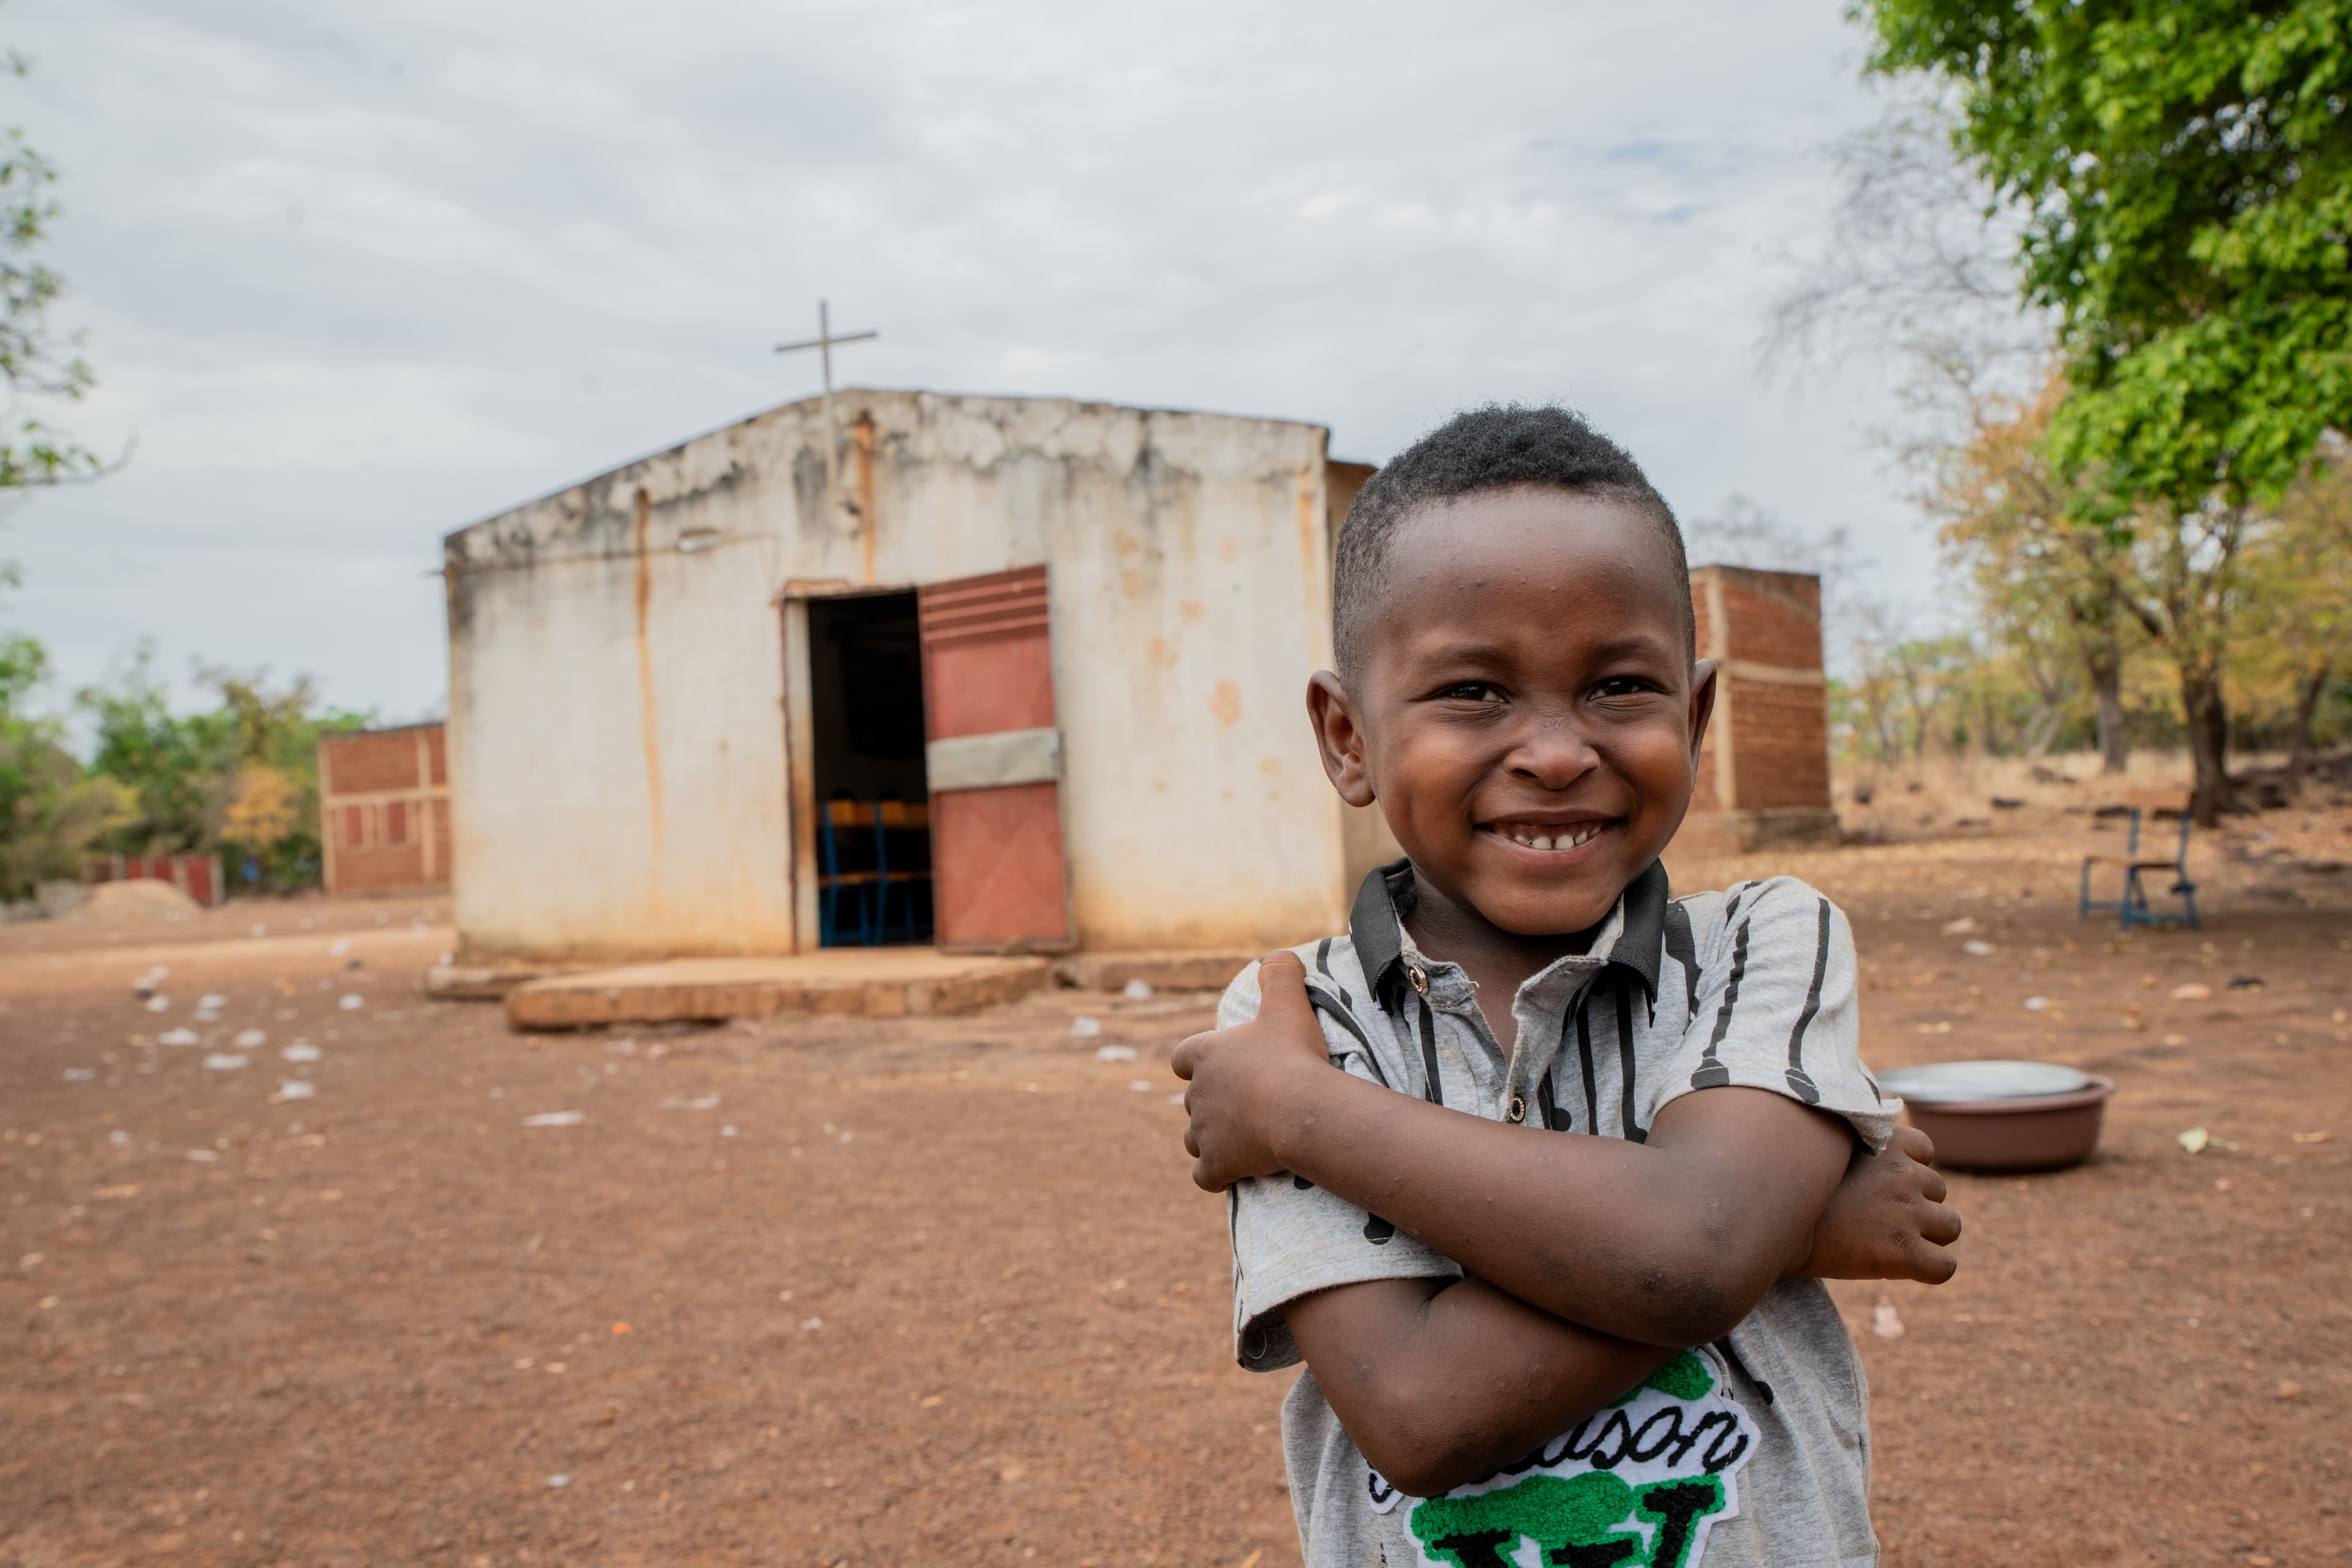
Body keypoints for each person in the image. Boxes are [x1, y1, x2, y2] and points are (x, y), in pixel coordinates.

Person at [1171, 405, 1961, 1568]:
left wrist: (1303, 1118)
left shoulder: (1761, 944)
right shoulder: (1296, 1015)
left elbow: (1693, 1253)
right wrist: (1787, 1233)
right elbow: (1422, 1414)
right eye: (1473, 693)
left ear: (1694, 717)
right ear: (1347, 735)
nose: (1553, 752)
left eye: (1619, 687)